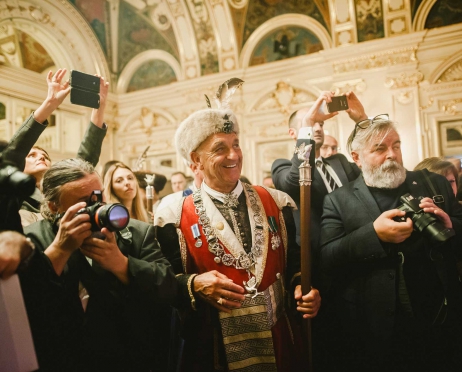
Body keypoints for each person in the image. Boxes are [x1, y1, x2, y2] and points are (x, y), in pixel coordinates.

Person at [154, 81, 321, 371]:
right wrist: (192, 284)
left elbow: (294, 263)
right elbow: (164, 282)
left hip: (280, 340)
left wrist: (302, 289)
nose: (234, 155)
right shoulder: (173, 216)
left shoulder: (276, 202)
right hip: (214, 348)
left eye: (236, 145)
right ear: (196, 162)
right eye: (220, 149)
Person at [320, 117, 462, 371]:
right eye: (380, 149)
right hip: (373, 325)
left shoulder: (433, 183)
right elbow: (328, 256)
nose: (392, 155)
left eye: (396, 146)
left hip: (437, 315)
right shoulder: (338, 200)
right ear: (356, 157)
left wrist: (450, 224)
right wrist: (374, 235)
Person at [20, 158, 178, 371]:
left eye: (99, 195)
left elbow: (169, 287)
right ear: (53, 205)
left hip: (127, 359)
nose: (97, 206)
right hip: (60, 360)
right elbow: (25, 306)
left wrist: (122, 264)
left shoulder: (137, 232)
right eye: (84, 200)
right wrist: (60, 250)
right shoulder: (31, 239)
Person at [2, 68, 109, 226]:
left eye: (45, 156)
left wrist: (99, 109)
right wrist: (49, 104)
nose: (41, 157)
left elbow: (84, 161)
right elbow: (13, 152)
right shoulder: (14, 194)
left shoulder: (62, 188)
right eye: (31, 155)